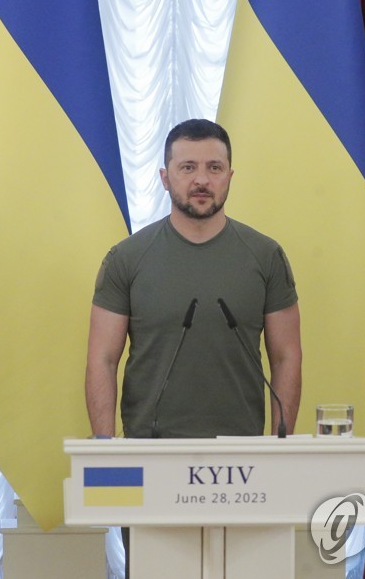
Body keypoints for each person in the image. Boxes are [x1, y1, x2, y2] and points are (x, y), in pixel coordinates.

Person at [85, 119, 302, 441]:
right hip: (148, 450)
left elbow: (286, 356)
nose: (202, 179)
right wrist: (105, 450)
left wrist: (279, 443)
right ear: (165, 177)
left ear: (229, 176)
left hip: (243, 457)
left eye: (214, 168)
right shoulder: (126, 258)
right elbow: (102, 359)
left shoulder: (266, 256)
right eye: (187, 167)